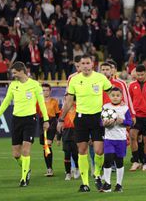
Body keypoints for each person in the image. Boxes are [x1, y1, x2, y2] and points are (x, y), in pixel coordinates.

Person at [57, 54, 112, 192]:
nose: (86, 66)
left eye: (88, 63)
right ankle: (85, 183)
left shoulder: (101, 78)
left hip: (98, 118)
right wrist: (61, 119)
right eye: (83, 63)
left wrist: (116, 111)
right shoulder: (74, 80)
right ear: (79, 66)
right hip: (81, 119)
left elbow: (112, 94)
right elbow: (69, 101)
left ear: (92, 64)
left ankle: (98, 175)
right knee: (82, 150)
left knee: (99, 151)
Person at [0, 62, 49, 187]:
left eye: (14, 72)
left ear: (22, 71)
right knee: (16, 154)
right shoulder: (13, 85)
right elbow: (5, 102)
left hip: (30, 119)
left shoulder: (35, 85)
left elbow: (42, 103)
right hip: (16, 120)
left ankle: (24, 178)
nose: (13, 75)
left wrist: (46, 119)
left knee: (26, 150)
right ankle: (26, 168)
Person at [101, 88, 133, 193]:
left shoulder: (125, 108)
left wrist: (122, 121)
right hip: (109, 138)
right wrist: (104, 123)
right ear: (109, 96)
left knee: (119, 161)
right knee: (108, 159)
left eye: (117, 95)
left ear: (121, 97)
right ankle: (107, 184)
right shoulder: (105, 107)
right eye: (113, 95)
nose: (115, 97)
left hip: (121, 139)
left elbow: (130, 122)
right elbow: (100, 122)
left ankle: (119, 185)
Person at [38, 83, 60, 177]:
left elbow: (57, 114)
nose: (45, 92)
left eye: (47, 90)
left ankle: (49, 169)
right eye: (43, 90)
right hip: (41, 121)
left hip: (51, 122)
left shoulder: (54, 101)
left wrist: (57, 129)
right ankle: (49, 168)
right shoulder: (38, 102)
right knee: (45, 146)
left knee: (48, 144)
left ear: (50, 91)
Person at [62, 98, 79, 181]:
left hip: (76, 134)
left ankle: (77, 168)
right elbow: (60, 123)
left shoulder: (78, 109)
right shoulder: (64, 110)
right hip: (66, 134)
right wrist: (58, 137)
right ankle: (68, 173)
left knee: (75, 154)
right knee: (67, 154)